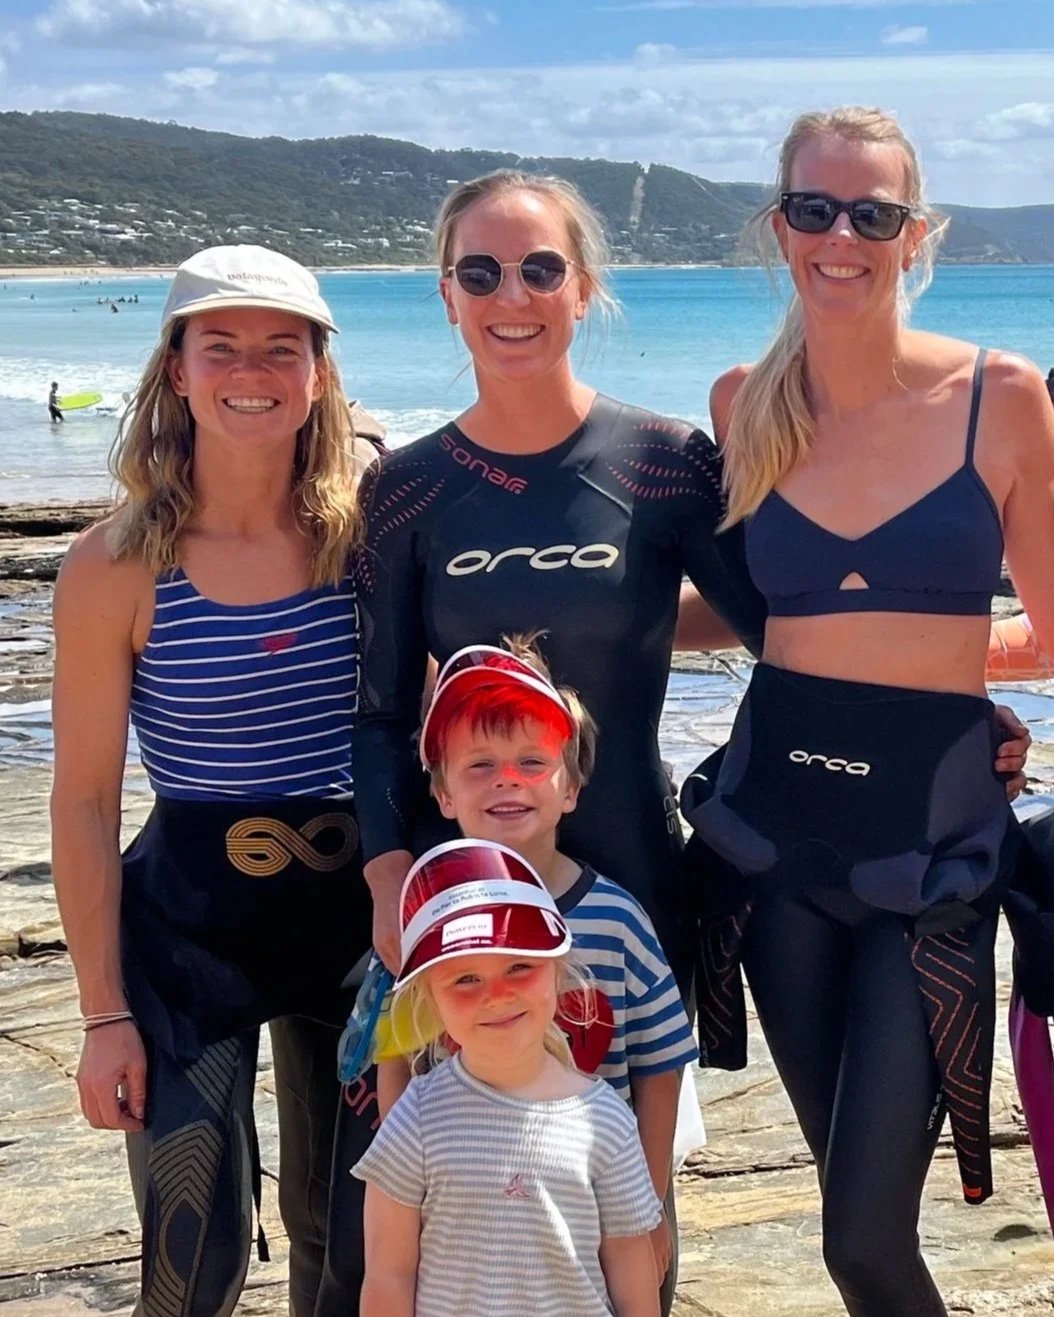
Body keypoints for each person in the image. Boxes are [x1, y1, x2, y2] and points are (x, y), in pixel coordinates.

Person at [679, 107, 1054, 1317]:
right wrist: (542, 645)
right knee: (846, 1219)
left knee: (863, 1240)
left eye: (870, 213)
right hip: (772, 841)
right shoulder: (744, 403)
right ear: (778, 225)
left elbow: (1050, 631)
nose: (840, 234)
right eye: (812, 208)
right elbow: (756, 618)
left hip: (930, 851)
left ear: (914, 234)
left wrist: (950, 675)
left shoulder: (1004, 397)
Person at [50, 244, 376, 1317]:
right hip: (187, 929)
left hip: (356, 925)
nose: (253, 369)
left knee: (351, 1249)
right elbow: (87, 803)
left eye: (282, 349)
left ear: (318, 374)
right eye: (221, 345)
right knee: (192, 1260)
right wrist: (103, 1017)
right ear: (177, 370)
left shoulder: (367, 540)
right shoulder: (115, 566)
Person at [370, 638, 698, 1309]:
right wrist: (403, 1183)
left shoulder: (617, 918)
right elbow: (396, 1056)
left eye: (531, 762)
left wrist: (651, 1198)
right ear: (441, 790)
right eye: (481, 764)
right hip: (459, 1193)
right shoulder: (422, 919)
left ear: (571, 785)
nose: (507, 780)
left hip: (588, 1187)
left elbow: (660, 1068)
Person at [352, 839, 663, 1317]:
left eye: (519, 966)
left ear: (558, 974)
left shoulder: (607, 1120)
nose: (497, 995)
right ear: (430, 1002)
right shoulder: (417, 1116)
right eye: (465, 979)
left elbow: (629, 1265)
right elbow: (389, 1272)